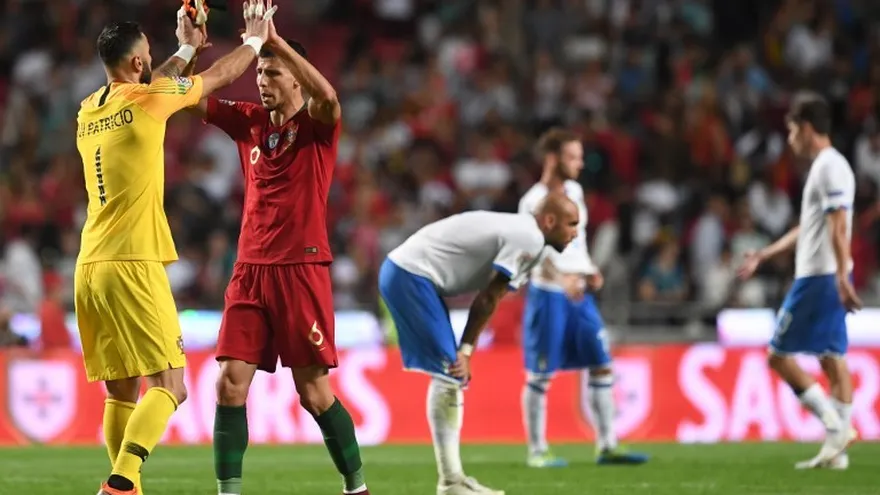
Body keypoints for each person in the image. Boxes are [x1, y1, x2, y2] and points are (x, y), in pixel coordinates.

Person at [74, 2, 278, 494]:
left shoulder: (90, 108)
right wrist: (252, 41)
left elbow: (153, 80)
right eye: (149, 56)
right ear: (138, 64)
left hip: (90, 264)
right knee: (170, 386)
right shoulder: (149, 100)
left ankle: (129, 488)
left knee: (121, 391)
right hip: (132, 260)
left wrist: (186, 45)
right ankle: (121, 484)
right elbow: (217, 77)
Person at [187, 17, 369, 495]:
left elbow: (328, 98)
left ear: (295, 74)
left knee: (313, 394)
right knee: (228, 384)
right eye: (260, 74)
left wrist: (275, 41)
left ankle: (356, 487)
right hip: (248, 271)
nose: (263, 82)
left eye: (272, 73)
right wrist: (188, 49)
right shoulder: (247, 121)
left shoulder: (316, 126)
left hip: (301, 269)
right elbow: (188, 99)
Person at [379, 194, 579, 495]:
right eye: (571, 224)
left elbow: (491, 297)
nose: (576, 232)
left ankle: (454, 480)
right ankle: (450, 483)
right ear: (549, 221)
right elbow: (487, 298)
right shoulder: (529, 237)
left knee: (452, 374)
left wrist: (465, 349)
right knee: (450, 372)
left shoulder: (530, 237)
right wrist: (466, 351)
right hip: (410, 274)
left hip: (413, 274)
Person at [738, 92, 859, 469]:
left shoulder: (828, 167)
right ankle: (836, 453)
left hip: (819, 276)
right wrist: (765, 254)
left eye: (791, 131)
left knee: (778, 356)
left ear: (806, 129)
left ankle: (836, 427)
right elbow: (810, 225)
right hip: (826, 272)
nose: (789, 140)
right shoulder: (829, 167)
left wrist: (839, 275)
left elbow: (838, 227)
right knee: (831, 358)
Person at [517, 128, 649, 467]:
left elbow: (578, 240)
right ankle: (536, 450)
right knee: (541, 375)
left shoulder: (574, 190)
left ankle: (607, 444)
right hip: (549, 294)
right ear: (552, 158)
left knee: (602, 364)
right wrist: (562, 278)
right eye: (572, 157)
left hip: (580, 293)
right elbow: (532, 254)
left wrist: (588, 268)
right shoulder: (532, 202)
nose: (580, 163)